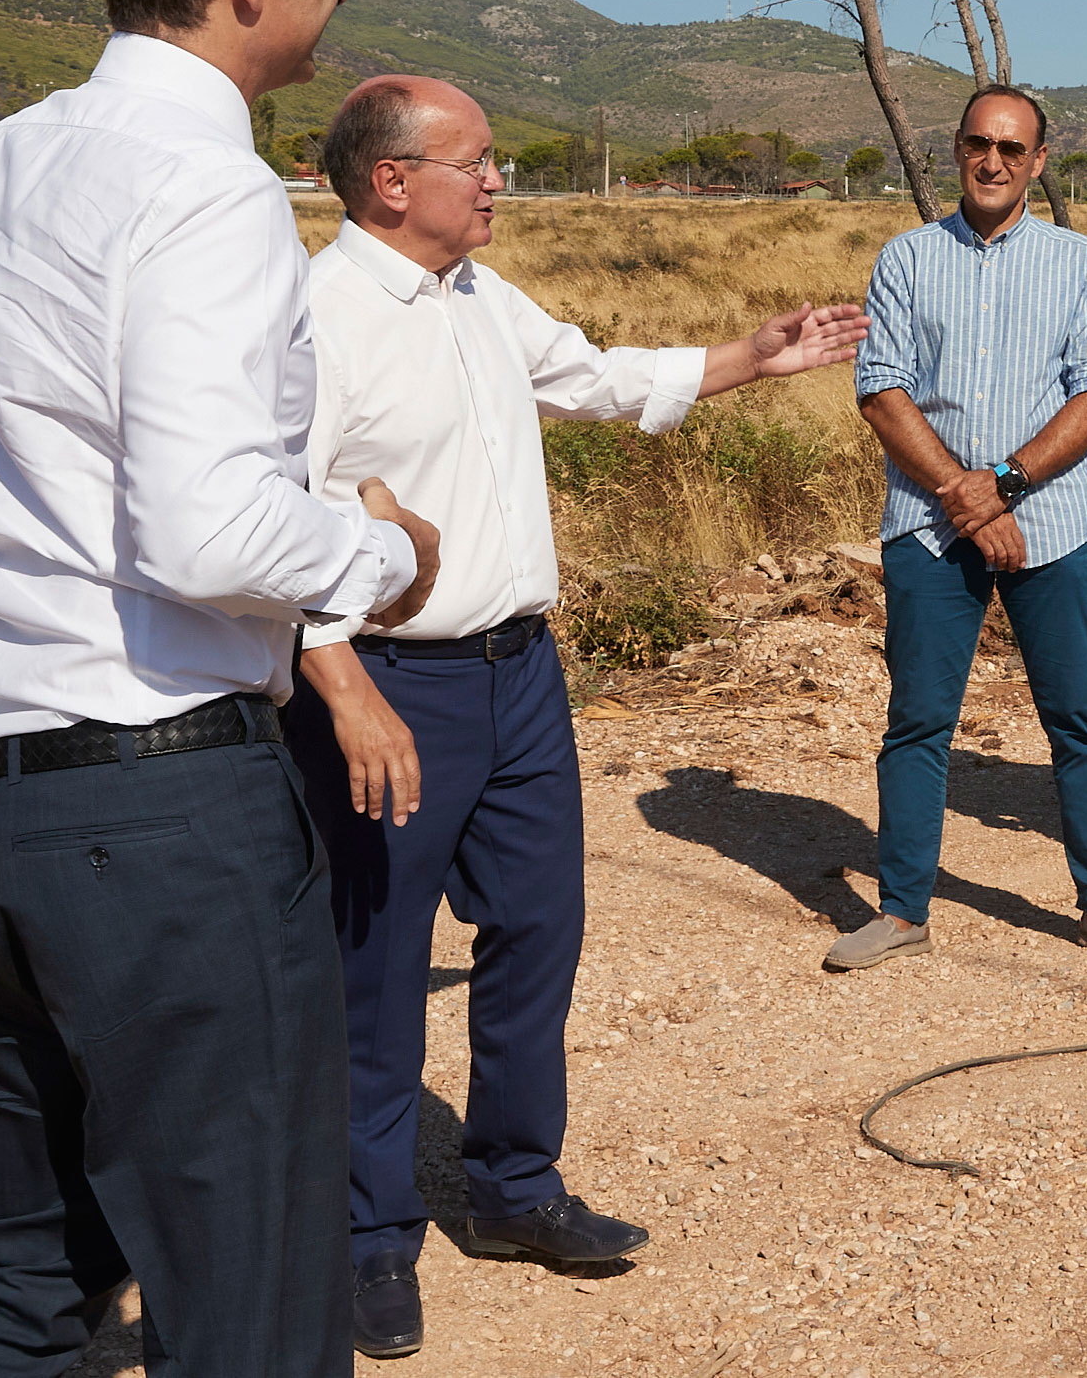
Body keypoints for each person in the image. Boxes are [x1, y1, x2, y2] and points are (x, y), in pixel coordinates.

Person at [0, 0, 439, 1376]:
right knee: (250, 1301)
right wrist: (386, 554)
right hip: (158, 812)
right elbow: (206, 532)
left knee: (14, 1284)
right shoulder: (205, 183)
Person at [287, 74, 867, 1358]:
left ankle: (512, 1189)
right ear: (393, 180)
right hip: (398, 687)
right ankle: (368, 1236)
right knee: (376, 967)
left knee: (538, 934)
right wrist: (342, 688)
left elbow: (594, 377)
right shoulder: (317, 317)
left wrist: (750, 360)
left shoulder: (483, 297)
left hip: (521, 678)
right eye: (477, 161)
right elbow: (280, 520)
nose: (499, 180)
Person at [826, 85, 1087, 970]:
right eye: (980, 143)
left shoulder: (1081, 262)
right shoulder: (904, 259)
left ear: (1039, 161)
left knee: (1080, 719)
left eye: (1014, 148)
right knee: (917, 721)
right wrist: (963, 499)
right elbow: (880, 389)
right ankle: (902, 910)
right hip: (929, 527)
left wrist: (1002, 486)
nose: (995, 161)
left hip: (1053, 524)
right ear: (957, 150)